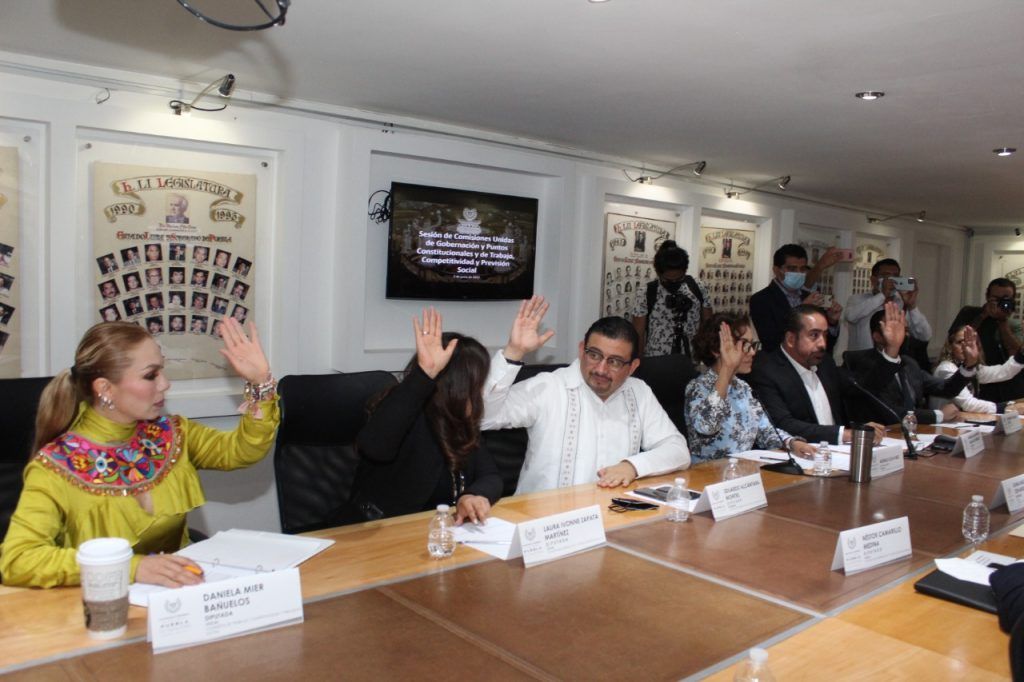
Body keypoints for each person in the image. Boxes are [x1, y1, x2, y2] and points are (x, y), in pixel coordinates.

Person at [0, 318, 279, 588]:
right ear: (105, 388)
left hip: (179, 596)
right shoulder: (56, 466)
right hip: (99, 605)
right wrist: (132, 567)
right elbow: (19, 559)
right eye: (150, 375)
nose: (165, 384)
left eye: (162, 371)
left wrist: (260, 384)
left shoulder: (170, 434)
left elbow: (241, 451)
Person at [482, 296, 689, 494]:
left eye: (614, 362)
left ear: (632, 367)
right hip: (545, 514)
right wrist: (514, 352)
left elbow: (677, 450)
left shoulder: (638, 391)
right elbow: (483, 417)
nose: (601, 369)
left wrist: (632, 466)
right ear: (582, 350)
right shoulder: (549, 386)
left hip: (610, 512)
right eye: (594, 355)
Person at [347, 309, 502, 523]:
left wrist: (472, 495)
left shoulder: (459, 421)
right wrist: (424, 375)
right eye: (478, 384)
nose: (481, 392)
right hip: (381, 531)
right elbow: (374, 446)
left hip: (436, 530)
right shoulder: (408, 413)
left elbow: (491, 476)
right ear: (459, 386)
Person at [748, 304, 890, 445]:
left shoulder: (825, 363)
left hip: (839, 451)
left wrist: (892, 349)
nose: (822, 344)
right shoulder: (767, 371)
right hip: (802, 453)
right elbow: (783, 424)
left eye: (825, 335)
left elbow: (863, 387)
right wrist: (845, 434)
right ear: (791, 339)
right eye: (814, 335)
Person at [685, 313, 817, 463]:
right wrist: (727, 368)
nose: (753, 352)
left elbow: (766, 432)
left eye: (753, 345)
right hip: (708, 473)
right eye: (745, 345)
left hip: (743, 471)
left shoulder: (743, 388)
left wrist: (792, 443)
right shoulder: (697, 388)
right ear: (717, 350)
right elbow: (707, 427)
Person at [844, 308, 976, 425]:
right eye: (897, 330)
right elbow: (891, 413)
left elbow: (946, 388)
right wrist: (938, 415)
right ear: (877, 337)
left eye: (906, 330)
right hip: (884, 434)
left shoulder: (909, 363)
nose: (904, 335)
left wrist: (968, 365)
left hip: (915, 434)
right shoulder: (863, 364)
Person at [749, 244, 843, 354]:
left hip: (812, 361)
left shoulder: (809, 296)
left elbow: (827, 344)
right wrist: (801, 310)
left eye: (802, 269)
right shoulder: (761, 300)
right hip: (781, 362)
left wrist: (832, 321)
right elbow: (771, 342)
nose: (798, 273)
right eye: (792, 269)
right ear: (777, 270)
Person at [948, 278, 1024, 404]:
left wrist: (1002, 321)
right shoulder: (969, 313)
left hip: (1010, 383)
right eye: (996, 299)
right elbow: (955, 338)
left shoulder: (1014, 324)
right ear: (987, 296)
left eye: (1005, 299)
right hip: (977, 380)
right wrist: (983, 315)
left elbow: (1018, 353)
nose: (1001, 303)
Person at [631, 240, 712, 357]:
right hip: (656, 360)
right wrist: (638, 362)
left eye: (679, 279)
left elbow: (708, 325)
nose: (673, 283)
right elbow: (638, 333)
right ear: (658, 273)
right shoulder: (646, 292)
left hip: (690, 358)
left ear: (685, 271)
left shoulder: (698, 287)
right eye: (668, 280)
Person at [929, 325, 1024, 414]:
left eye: (970, 342)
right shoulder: (946, 369)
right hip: (942, 423)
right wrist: (1007, 407)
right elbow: (968, 404)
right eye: (960, 342)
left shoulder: (971, 368)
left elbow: (1003, 372)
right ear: (950, 346)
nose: (965, 347)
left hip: (962, 420)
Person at [844, 258, 932, 354]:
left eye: (895, 276)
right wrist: (883, 295)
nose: (891, 281)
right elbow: (851, 317)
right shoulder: (857, 299)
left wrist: (912, 306)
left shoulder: (901, 302)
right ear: (873, 280)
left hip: (893, 359)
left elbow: (925, 335)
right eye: (886, 276)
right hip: (861, 360)